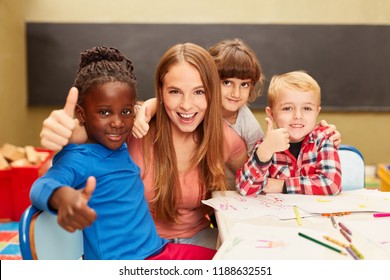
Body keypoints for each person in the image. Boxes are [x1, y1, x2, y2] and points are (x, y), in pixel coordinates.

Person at [39, 43, 248, 250]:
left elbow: (252, 181)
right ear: (161, 92)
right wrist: (66, 132)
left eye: (199, 92)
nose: (186, 105)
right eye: (175, 91)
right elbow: (72, 145)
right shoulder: (134, 125)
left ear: (212, 92)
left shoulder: (224, 138)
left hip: (200, 240)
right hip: (138, 247)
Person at [132, 38, 341, 187]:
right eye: (227, 82)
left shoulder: (246, 125)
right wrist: (148, 108)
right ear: (210, 81)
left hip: (232, 193)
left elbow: (259, 167)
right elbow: (168, 103)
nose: (235, 93)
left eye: (244, 85)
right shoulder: (193, 106)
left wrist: (315, 135)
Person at [236, 70, 342, 196]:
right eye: (287, 108)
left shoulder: (323, 139)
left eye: (307, 108)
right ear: (271, 114)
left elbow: (332, 184)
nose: (298, 116)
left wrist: (283, 185)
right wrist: (264, 152)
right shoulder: (267, 145)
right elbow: (244, 189)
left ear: (316, 113)